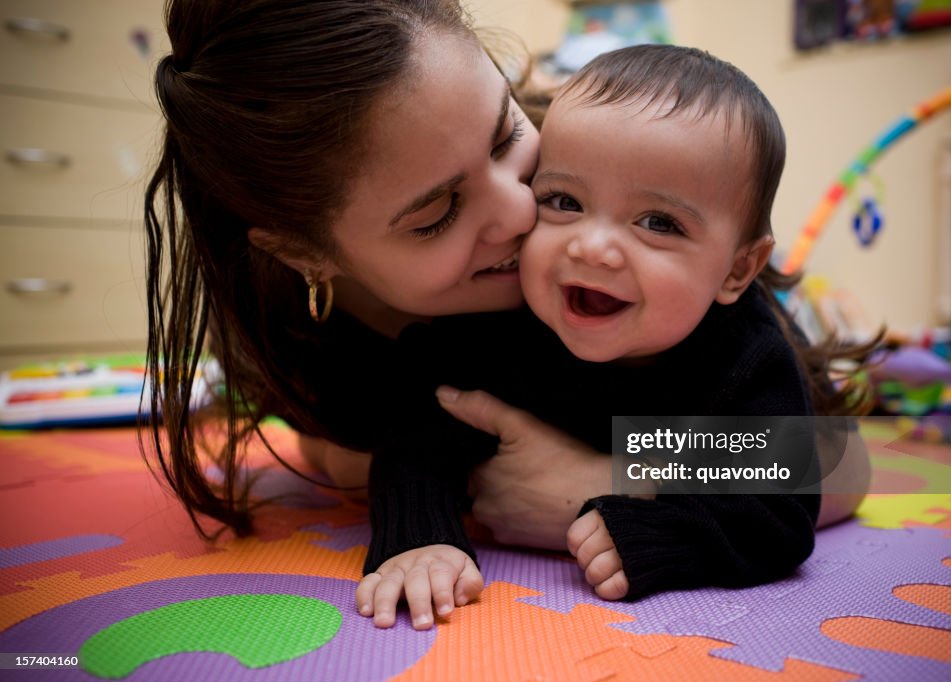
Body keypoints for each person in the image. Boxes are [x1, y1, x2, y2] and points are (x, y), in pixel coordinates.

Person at [143, 0, 871, 632]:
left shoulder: (600, 155)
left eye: (504, 139)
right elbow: (340, 446)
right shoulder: (285, 326)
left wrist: (608, 474)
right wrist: (394, 481)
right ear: (306, 254)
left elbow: (836, 462)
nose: (522, 209)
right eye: (435, 214)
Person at [367, 43, 877, 606]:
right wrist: (419, 541)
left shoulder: (747, 357)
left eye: (658, 222)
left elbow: (778, 515)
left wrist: (655, 530)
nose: (592, 247)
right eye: (563, 201)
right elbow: (416, 436)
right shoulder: (499, 322)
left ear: (737, 269)